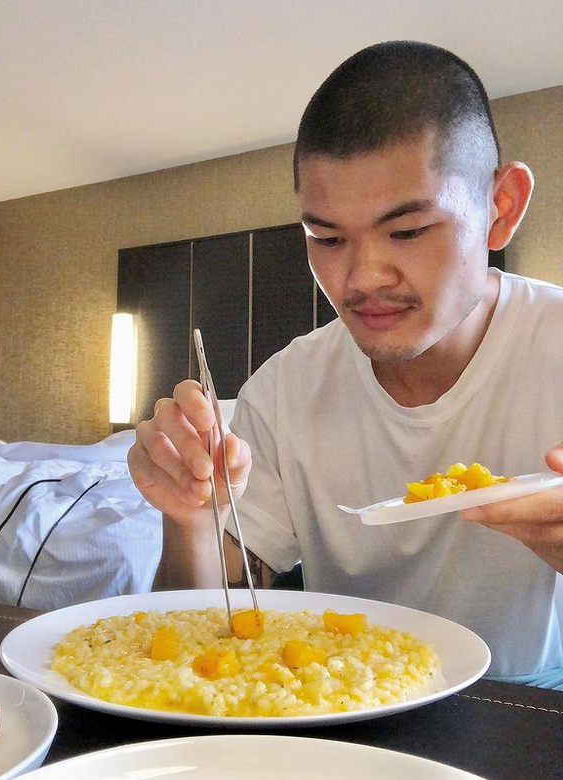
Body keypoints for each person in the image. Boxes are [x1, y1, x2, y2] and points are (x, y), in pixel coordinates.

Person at [128, 40, 563, 688]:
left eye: (408, 231)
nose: (362, 278)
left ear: (500, 209)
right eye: (327, 239)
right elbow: (204, 634)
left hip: (531, 703)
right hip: (340, 698)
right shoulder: (283, 391)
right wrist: (188, 518)